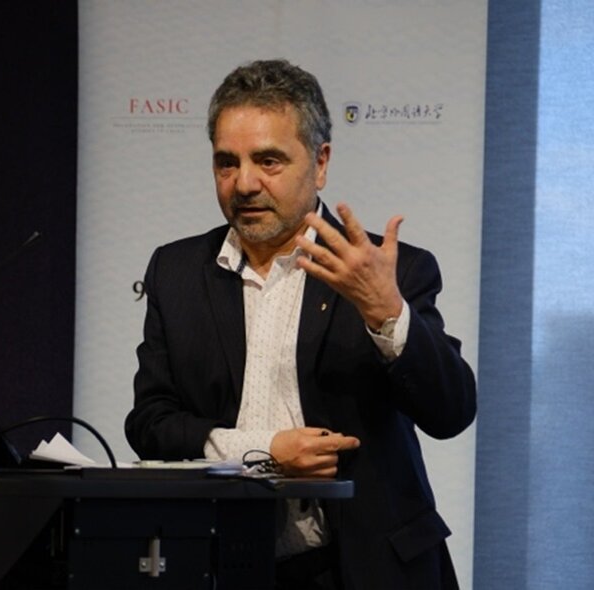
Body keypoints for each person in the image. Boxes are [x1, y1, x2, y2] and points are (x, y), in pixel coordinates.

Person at [125, 59, 476, 589]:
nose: (244, 183)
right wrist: (266, 451)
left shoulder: (390, 270)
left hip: (361, 569)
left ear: (321, 161)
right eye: (226, 163)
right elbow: (150, 424)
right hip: (217, 566)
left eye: (269, 161)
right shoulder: (175, 272)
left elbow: (451, 412)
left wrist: (384, 310)